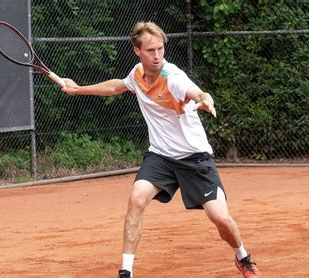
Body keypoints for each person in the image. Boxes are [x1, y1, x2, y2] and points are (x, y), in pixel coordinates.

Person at [61, 21, 261, 278]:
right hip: (161, 156)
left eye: (161, 49)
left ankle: (242, 257)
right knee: (136, 199)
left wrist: (204, 99)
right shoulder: (136, 74)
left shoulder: (173, 77)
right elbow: (116, 86)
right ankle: (126, 270)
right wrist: (78, 89)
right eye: (151, 50)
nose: (157, 55)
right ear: (137, 51)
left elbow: (195, 91)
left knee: (221, 219)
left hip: (195, 158)